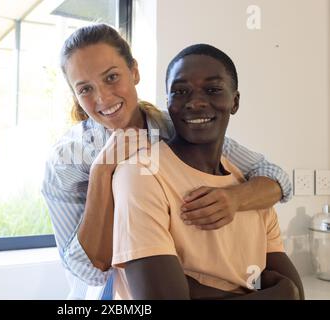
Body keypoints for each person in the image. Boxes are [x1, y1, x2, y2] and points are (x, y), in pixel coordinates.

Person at [41, 24, 292, 300]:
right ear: (75, 96)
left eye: (112, 77)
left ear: (134, 72)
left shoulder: (177, 126)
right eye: (85, 89)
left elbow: (276, 178)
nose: (103, 97)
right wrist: (103, 171)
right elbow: (90, 272)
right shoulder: (65, 162)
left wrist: (233, 198)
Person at [111, 43, 303, 300]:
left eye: (212, 90)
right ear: (168, 102)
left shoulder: (251, 190)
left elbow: (297, 292)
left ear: (234, 102)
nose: (196, 102)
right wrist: (280, 294)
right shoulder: (141, 175)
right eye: (180, 91)